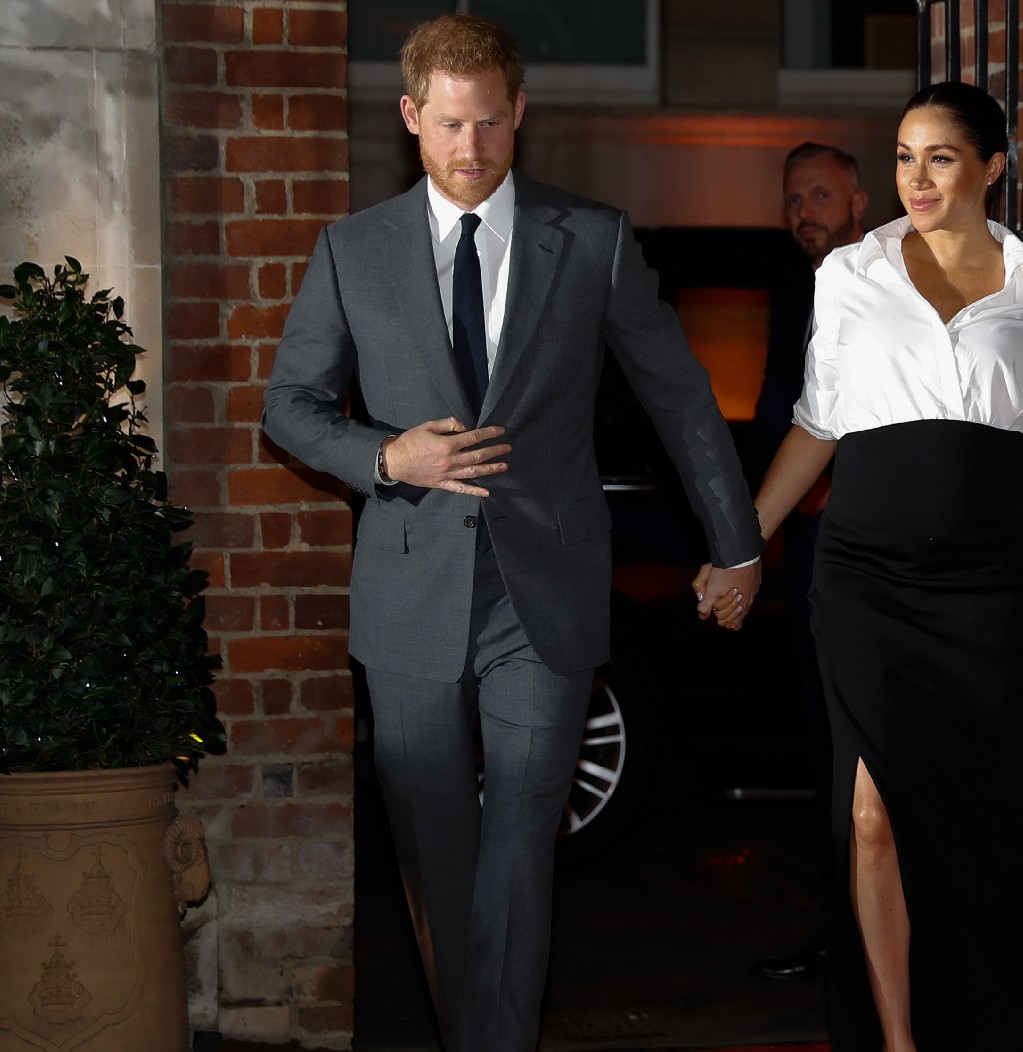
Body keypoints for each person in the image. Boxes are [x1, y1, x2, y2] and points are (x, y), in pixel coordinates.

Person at [262, 15, 763, 1052]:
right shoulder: (353, 250)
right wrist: (388, 456)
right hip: (408, 590)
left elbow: (679, 397)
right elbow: (290, 408)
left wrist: (738, 538)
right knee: (437, 848)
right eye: (450, 124)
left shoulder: (593, 238)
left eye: (491, 123)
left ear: (518, 112)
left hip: (545, 586)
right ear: (411, 118)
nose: (472, 147)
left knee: (522, 838)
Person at [701, 81, 1023, 1050]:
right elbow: (817, 424)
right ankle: (894, 1038)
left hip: (988, 591)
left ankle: (980, 1021)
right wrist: (745, 544)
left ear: (991, 167)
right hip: (865, 581)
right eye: (902, 156)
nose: (916, 177)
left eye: (939, 157)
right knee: (871, 814)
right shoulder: (851, 273)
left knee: (977, 831)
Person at [751, 142, 868, 983]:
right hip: (807, 549)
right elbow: (772, 416)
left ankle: (876, 940)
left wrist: (830, 495)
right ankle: (844, 935)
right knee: (825, 750)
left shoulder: (881, 283)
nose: (805, 211)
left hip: (864, 543)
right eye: (794, 199)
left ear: (859, 200)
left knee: (867, 751)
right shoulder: (796, 295)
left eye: (821, 195)